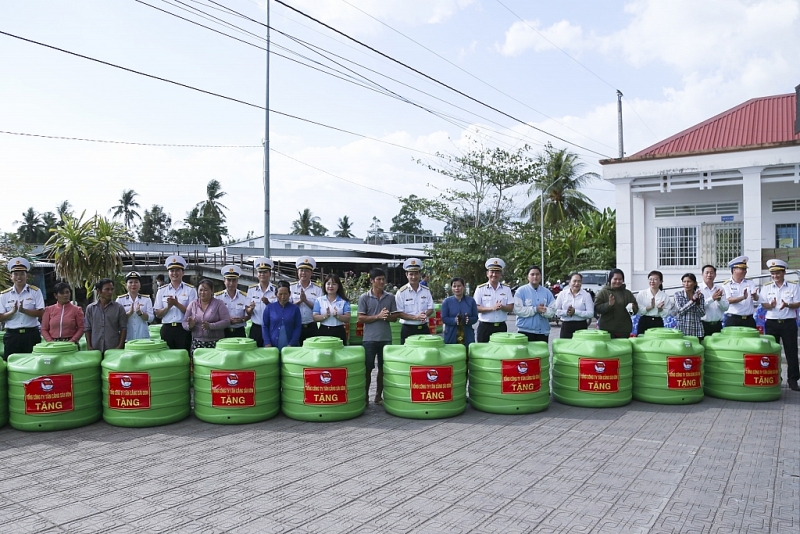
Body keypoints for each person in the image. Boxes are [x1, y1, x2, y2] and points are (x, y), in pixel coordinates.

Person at [358, 268, 398, 405]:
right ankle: (364, 397)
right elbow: (360, 318)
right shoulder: (364, 297)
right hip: (369, 339)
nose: (382, 282)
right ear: (372, 281)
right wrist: (378, 316)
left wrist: (388, 317)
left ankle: (378, 396)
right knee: (368, 369)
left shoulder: (390, 297)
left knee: (383, 369)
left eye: (383, 279)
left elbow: (395, 318)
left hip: (385, 338)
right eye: (378, 279)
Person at [760, 259, 799, 391]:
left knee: (791, 352)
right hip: (771, 323)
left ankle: (793, 380)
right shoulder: (766, 287)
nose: (775, 276)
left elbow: (798, 303)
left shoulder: (793, 286)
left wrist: (787, 304)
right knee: (771, 353)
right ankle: (773, 378)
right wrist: (770, 305)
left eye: (778, 273)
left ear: (784, 272)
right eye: (773, 273)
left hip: (788, 322)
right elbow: (763, 304)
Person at [0, 257, 45, 359]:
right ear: (11, 276)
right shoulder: (4, 295)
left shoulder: (35, 291)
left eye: (21, 274)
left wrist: (24, 311)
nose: (18, 277)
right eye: (15, 274)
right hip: (12, 336)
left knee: (33, 363)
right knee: (11, 364)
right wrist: (12, 312)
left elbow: (41, 313)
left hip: (31, 334)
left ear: (26, 276)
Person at [154, 255, 197, 351]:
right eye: (172, 271)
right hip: (167, 328)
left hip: (183, 329)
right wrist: (168, 307)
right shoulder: (161, 290)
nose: (174, 273)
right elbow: (158, 314)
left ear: (183, 272)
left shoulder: (190, 290)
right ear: (168, 273)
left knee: (184, 357)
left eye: (177, 270)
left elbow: (193, 312)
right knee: (167, 358)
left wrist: (177, 304)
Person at [182, 278, 230, 355]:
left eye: (205, 290)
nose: (202, 293)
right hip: (197, 343)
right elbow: (184, 322)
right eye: (200, 290)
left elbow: (226, 321)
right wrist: (190, 326)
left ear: (211, 291)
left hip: (215, 342)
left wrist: (211, 326)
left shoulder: (219, 304)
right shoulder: (193, 304)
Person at [474, 258, 514, 343]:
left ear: (501, 274)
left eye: (497, 272)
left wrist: (502, 307)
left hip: (501, 327)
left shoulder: (506, 289)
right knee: (483, 352)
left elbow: (511, 307)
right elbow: (475, 308)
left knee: (501, 352)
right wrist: (492, 308)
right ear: (487, 274)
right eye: (492, 272)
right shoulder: (480, 289)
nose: (494, 274)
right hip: (485, 327)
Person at [395, 258, 434, 343]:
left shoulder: (426, 290)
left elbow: (430, 308)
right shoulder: (401, 292)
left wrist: (424, 315)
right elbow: (399, 313)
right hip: (408, 329)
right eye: (411, 274)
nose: (413, 277)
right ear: (406, 275)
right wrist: (416, 317)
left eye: (416, 274)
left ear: (420, 274)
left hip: (423, 328)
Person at [84, 278, 127, 354]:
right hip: (95, 348)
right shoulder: (90, 308)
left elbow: (123, 328)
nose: (110, 292)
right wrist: (89, 346)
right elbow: (87, 328)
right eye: (107, 289)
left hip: (113, 348)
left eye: (112, 289)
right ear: (99, 291)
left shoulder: (119, 308)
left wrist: (120, 346)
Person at [514, 265, 556, 343]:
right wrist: (535, 309)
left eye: (537, 274)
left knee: (541, 355)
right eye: (532, 274)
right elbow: (518, 310)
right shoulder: (521, 291)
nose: (535, 276)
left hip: (543, 332)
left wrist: (544, 311)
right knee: (526, 355)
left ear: (541, 276)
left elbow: (553, 310)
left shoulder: (547, 292)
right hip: (525, 332)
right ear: (528, 277)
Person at [594, 269, 638, 338]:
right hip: (607, 330)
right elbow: (597, 309)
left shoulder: (627, 293)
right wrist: (609, 305)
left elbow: (633, 312)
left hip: (624, 330)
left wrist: (632, 308)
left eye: (620, 279)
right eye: (615, 279)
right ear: (610, 279)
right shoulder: (603, 292)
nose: (617, 281)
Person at [262, 281, 302, 351]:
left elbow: (298, 327)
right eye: (280, 294)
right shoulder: (270, 308)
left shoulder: (295, 308)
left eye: (285, 294)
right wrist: (267, 342)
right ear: (276, 294)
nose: (283, 297)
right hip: (272, 346)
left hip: (291, 346)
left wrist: (292, 344)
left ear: (289, 294)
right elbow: (264, 326)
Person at [291, 257, 324, 343]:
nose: (303, 273)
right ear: (297, 272)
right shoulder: (290, 287)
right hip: (294, 326)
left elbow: (320, 309)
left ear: (312, 273)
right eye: (301, 270)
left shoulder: (318, 289)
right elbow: (287, 307)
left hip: (311, 326)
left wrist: (306, 301)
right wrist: (299, 301)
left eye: (306, 271)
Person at [721, 255, 759, 328]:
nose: (745, 271)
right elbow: (728, 300)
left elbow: (757, 298)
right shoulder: (726, 285)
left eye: (745, 269)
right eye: (742, 269)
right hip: (733, 319)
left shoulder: (750, 283)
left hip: (749, 319)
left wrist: (754, 296)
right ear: (734, 270)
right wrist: (743, 297)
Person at [246, 257, 276, 347]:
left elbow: (279, 309)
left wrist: (268, 304)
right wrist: (251, 308)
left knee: (271, 353)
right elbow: (247, 312)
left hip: (271, 328)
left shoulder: (276, 289)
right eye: (260, 272)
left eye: (265, 272)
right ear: (257, 274)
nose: (262, 274)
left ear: (270, 273)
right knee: (254, 354)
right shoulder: (251, 290)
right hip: (256, 328)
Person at [312, 274, 351, 344]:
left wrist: (337, 316)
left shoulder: (344, 301)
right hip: (323, 330)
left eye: (334, 284)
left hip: (339, 330)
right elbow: (315, 318)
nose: (330, 286)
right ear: (325, 285)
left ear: (338, 286)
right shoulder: (319, 300)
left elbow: (348, 318)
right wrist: (325, 316)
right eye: (328, 284)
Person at [554, 272, 595, 339]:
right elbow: (555, 311)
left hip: (581, 327)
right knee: (565, 348)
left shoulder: (586, 295)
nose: (577, 283)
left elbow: (590, 314)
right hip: (566, 326)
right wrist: (566, 312)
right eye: (574, 281)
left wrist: (575, 312)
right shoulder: (562, 294)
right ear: (570, 282)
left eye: (579, 281)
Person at [441, 277, 478, 347]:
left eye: (459, 286)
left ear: (463, 287)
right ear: (451, 288)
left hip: (467, 334)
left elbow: (475, 317)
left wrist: (469, 320)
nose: (456, 288)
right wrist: (454, 320)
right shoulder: (447, 302)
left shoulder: (471, 301)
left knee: (467, 355)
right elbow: (444, 318)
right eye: (454, 286)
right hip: (451, 335)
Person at [215, 265, 251, 338]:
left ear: (237, 281)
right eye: (229, 280)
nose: (231, 283)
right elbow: (214, 315)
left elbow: (249, 315)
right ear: (224, 281)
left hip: (239, 331)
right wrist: (226, 320)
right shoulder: (217, 297)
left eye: (234, 280)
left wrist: (242, 320)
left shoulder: (244, 296)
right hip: (223, 331)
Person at [116, 271, 154, 341]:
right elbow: (117, 320)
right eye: (130, 282)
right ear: (126, 285)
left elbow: (151, 318)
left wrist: (140, 313)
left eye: (136, 282)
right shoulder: (120, 300)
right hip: (126, 337)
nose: (133, 284)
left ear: (140, 285)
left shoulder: (146, 299)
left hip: (142, 337)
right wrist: (128, 314)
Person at [635, 270, 672, 335]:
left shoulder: (664, 296)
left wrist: (660, 309)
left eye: (655, 279)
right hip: (644, 321)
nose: (652, 281)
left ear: (661, 281)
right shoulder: (642, 293)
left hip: (658, 321)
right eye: (650, 279)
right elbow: (639, 310)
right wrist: (650, 307)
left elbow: (667, 313)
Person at [699, 264, 729, 339]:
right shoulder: (698, 289)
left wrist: (719, 300)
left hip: (717, 325)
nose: (709, 275)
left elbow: (725, 307)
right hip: (703, 324)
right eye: (707, 273)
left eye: (711, 273)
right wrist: (712, 298)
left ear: (715, 275)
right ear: (702, 274)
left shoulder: (720, 289)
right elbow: (699, 306)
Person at [673, 273, 705, 340]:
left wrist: (697, 303)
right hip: (682, 329)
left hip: (696, 329)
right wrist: (693, 300)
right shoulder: (678, 294)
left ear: (694, 283)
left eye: (689, 281)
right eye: (684, 282)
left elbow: (702, 314)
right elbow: (680, 311)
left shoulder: (700, 296)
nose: (686, 284)